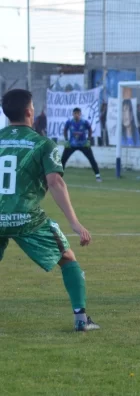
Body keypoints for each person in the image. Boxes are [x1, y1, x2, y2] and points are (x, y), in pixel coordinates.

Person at [0, 89, 99, 332]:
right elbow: (55, 182)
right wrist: (75, 223)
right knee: (67, 258)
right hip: (26, 218)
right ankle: (80, 319)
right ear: (29, 111)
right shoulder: (43, 143)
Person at [62, 108, 102, 182]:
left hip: (83, 144)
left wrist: (88, 140)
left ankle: (98, 176)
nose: (76, 115)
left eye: (78, 113)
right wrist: (66, 140)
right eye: (75, 113)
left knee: (92, 159)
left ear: (80, 114)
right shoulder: (69, 122)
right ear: (73, 114)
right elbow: (65, 130)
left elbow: (90, 129)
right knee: (63, 160)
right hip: (72, 144)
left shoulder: (84, 122)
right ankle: (59, 176)